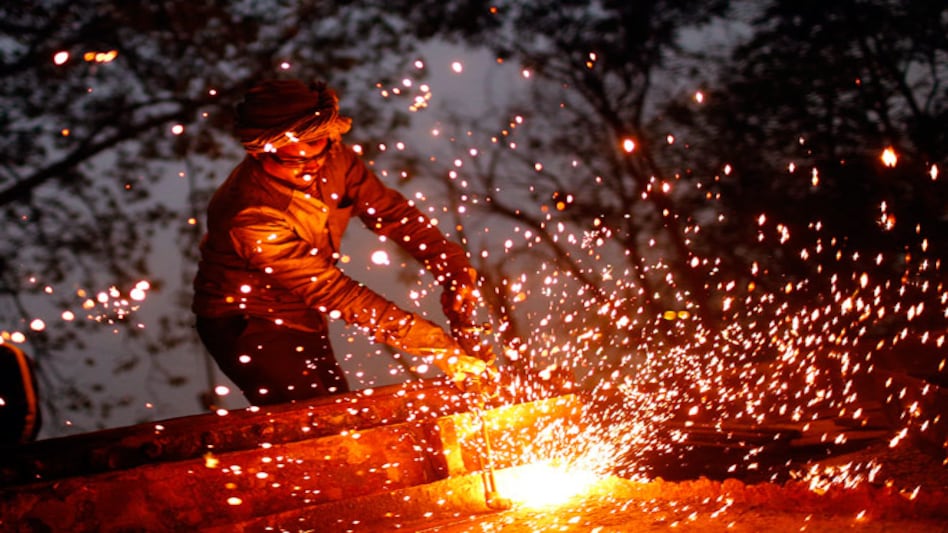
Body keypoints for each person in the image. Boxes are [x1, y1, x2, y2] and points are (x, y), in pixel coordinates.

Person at [192, 79, 495, 406]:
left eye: (318, 150)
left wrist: (455, 272)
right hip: (247, 322)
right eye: (294, 161)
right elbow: (333, 292)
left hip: (306, 315)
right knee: (317, 422)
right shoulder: (250, 213)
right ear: (261, 151)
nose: (312, 167)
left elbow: (396, 216)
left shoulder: (335, 159)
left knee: (342, 411)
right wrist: (438, 347)